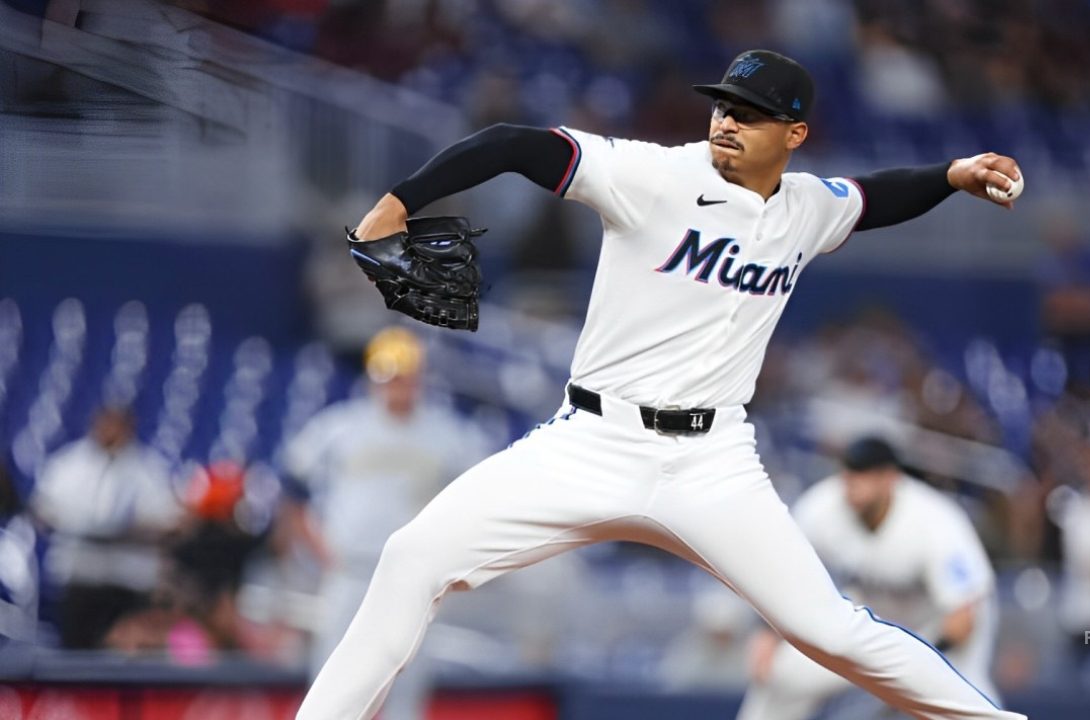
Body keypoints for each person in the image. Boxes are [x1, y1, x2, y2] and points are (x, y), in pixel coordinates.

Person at [299, 49, 1026, 720]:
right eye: (722, 106)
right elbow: (514, 143)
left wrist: (953, 176)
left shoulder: (807, 207)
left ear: (795, 133)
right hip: (590, 442)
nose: (727, 122)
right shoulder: (653, 176)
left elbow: (875, 197)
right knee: (411, 558)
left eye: (749, 112)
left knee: (829, 631)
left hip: (712, 465)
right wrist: (402, 198)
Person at [281, 327, 483, 720]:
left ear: (419, 377)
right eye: (388, 376)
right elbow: (293, 486)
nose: (396, 386)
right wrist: (316, 546)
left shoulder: (447, 433)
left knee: (406, 687)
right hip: (349, 571)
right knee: (331, 681)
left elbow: (477, 496)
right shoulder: (341, 426)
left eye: (403, 376)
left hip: (413, 577)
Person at [736, 436, 999, 720]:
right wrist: (765, 632)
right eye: (849, 475)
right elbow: (781, 569)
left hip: (936, 629)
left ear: (890, 478)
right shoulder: (823, 506)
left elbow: (962, 620)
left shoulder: (936, 521)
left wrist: (912, 670)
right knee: (783, 676)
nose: (853, 485)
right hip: (870, 619)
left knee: (966, 705)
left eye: (864, 476)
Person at [29, 405, 183, 649]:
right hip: (81, 575)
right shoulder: (69, 464)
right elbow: (43, 511)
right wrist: (81, 524)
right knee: (76, 651)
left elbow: (171, 522)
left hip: (129, 579)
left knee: (127, 653)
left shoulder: (150, 468)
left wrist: (129, 529)